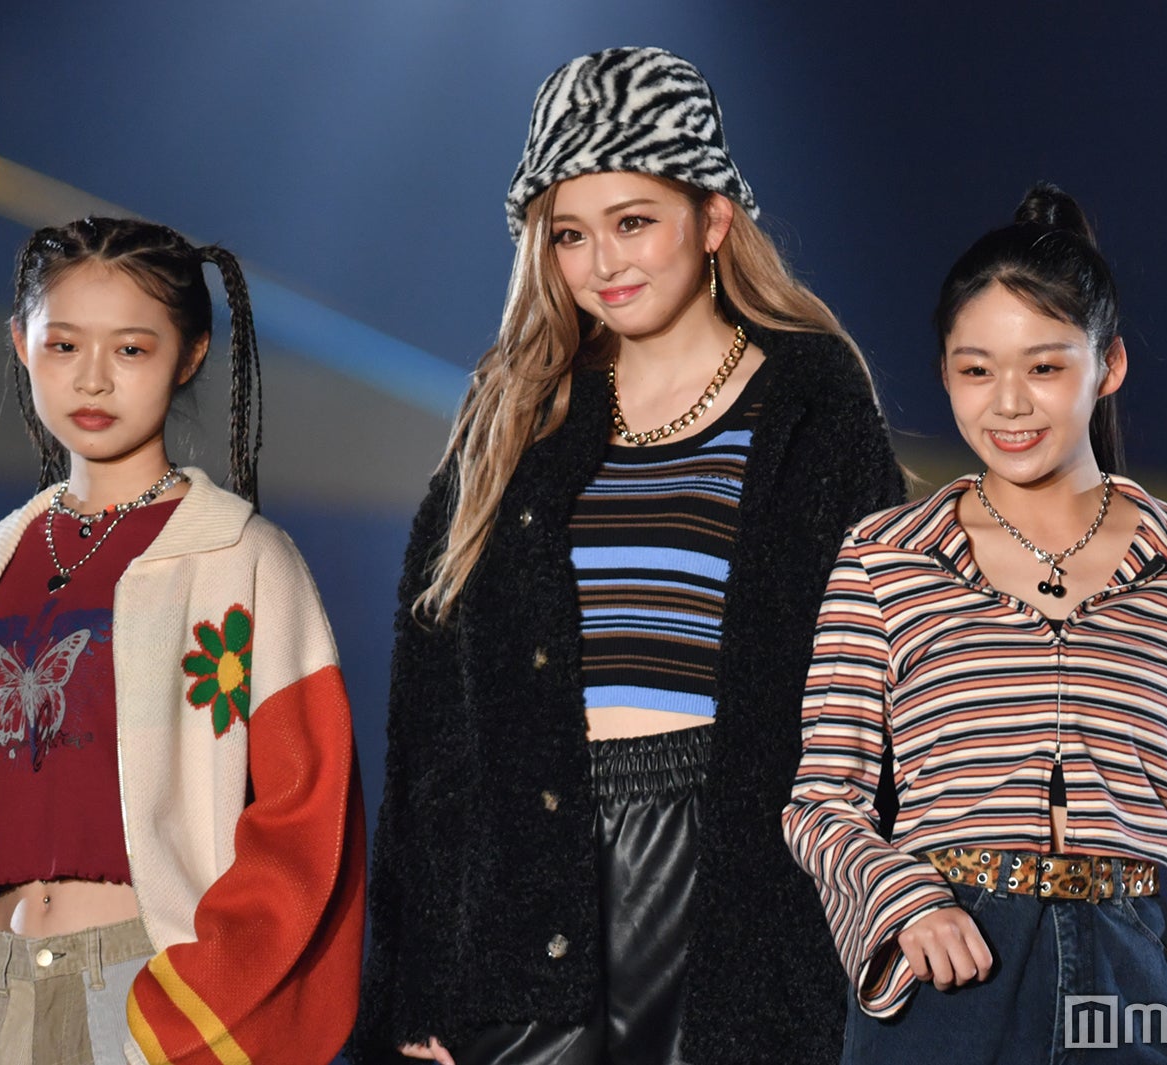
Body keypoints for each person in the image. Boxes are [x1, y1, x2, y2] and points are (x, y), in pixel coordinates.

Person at [354, 46, 904, 1065]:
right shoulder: (512, 411)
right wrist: (416, 986)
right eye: (570, 233)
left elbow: (880, 693)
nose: (603, 261)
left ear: (713, 219)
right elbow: (433, 728)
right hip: (528, 892)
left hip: (739, 882)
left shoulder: (810, 402)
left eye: (634, 221)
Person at [784, 185, 1167, 1063]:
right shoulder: (885, 556)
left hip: (1135, 979)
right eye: (976, 370)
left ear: (1108, 365)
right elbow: (822, 800)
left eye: (1045, 367)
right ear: (945, 373)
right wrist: (904, 900)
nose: (1009, 403)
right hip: (949, 975)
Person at [0, 217, 365, 1065]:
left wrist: (182, 1013)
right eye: (63, 344)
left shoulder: (237, 556)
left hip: (145, 997)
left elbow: (304, 820)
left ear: (190, 353)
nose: (92, 377)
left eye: (131, 349)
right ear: (21, 344)